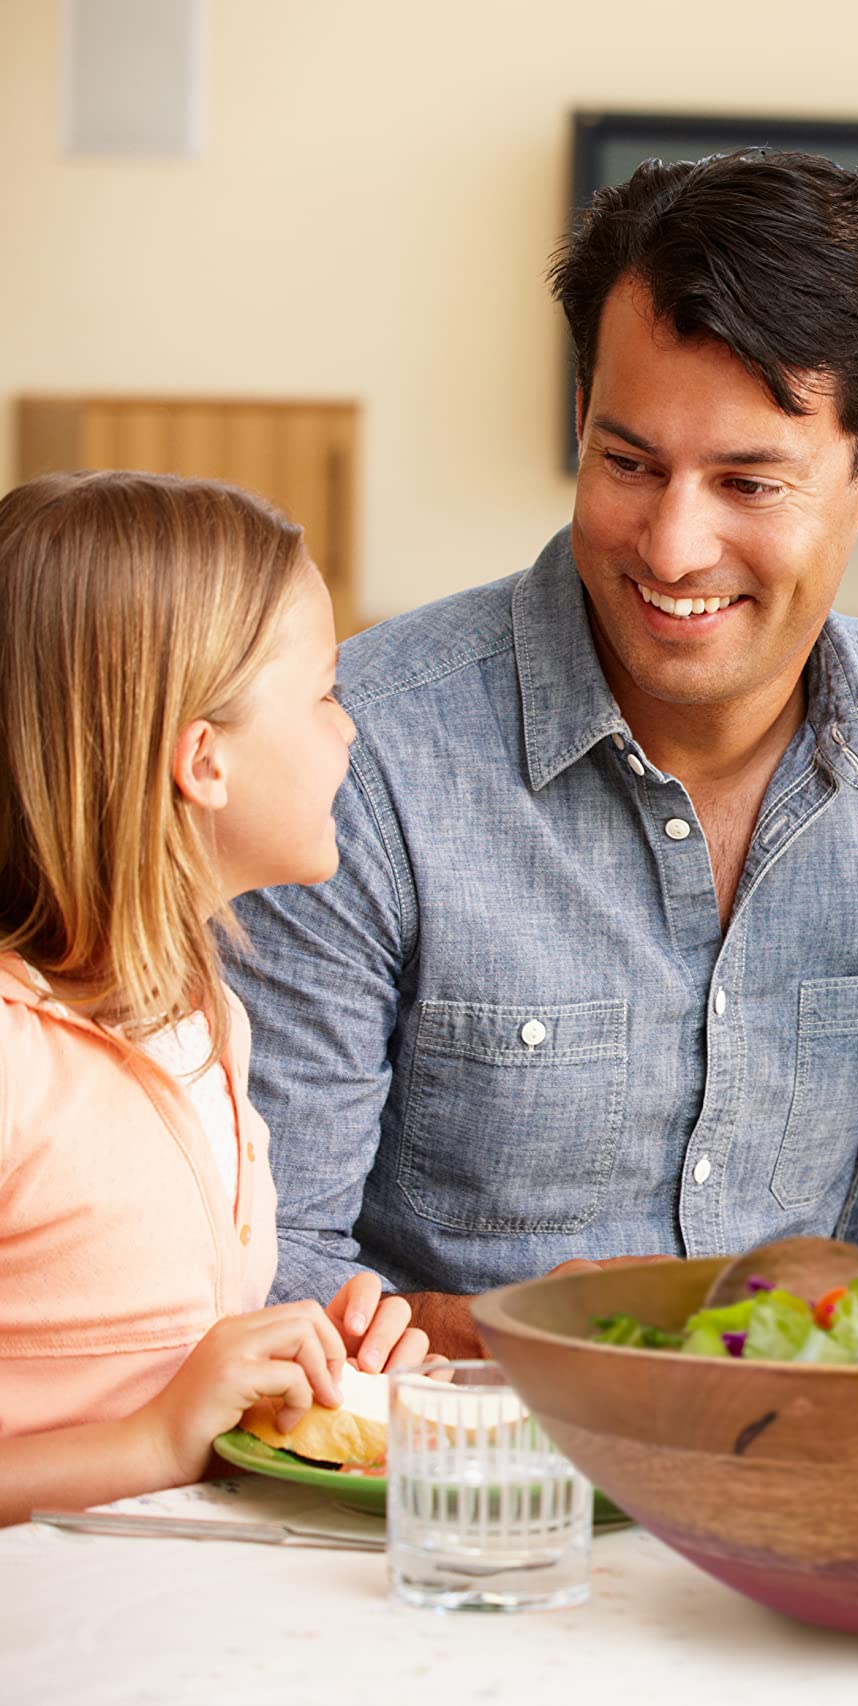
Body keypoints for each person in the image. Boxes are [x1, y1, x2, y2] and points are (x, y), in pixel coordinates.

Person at [230, 150, 858, 1357]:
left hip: (814, 1443)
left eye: (747, 481)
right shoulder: (365, 758)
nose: (671, 547)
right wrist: (538, 1339)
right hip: (441, 1466)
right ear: (579, 421)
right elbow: (264, 1250)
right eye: (628, 463)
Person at [0, 471, 430, 1525]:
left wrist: (311, 1343)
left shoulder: (204, 1020)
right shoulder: (15, 1064)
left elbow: (173, 1350)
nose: (351, 733)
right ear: (204, 760)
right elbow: (158, 1417)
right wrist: (155, 1437)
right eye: (326, 691)